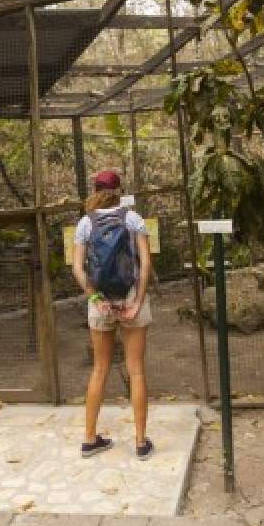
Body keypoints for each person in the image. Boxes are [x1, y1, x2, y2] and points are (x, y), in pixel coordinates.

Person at [71, 169, 154, 460]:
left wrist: (95, 298)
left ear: (94, 189)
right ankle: (141, 442)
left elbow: (78, 268)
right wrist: (137, 302)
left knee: (99, 370)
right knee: (137, 370)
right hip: (130, 297)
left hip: (101, 302)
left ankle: (90, 439)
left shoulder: (85, 223)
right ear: (120, 190)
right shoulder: (133, 219)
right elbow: (144, 265)